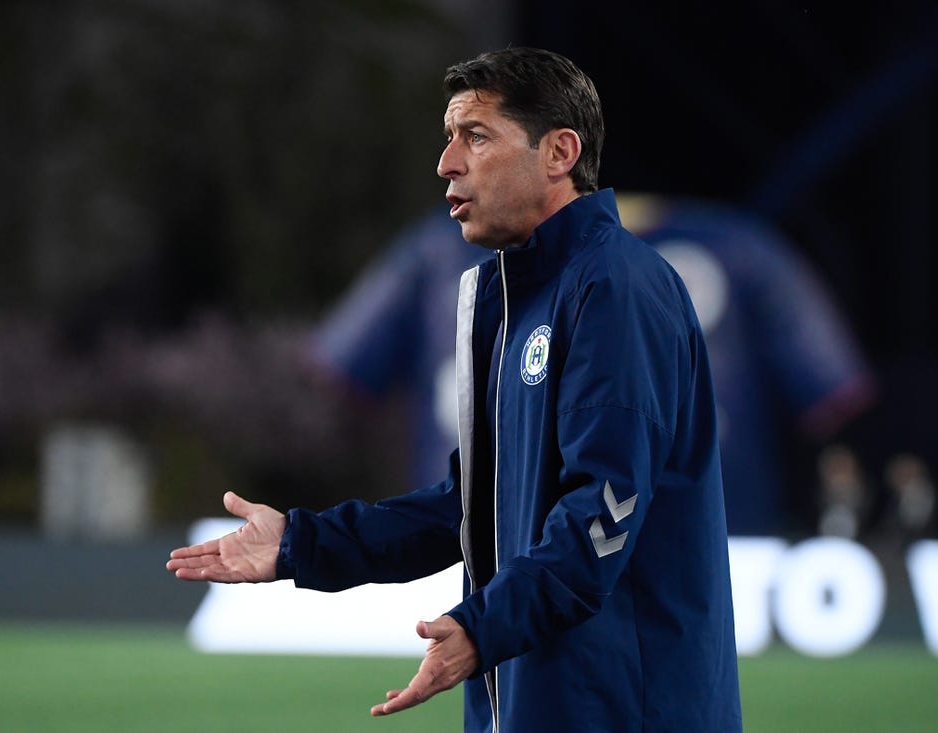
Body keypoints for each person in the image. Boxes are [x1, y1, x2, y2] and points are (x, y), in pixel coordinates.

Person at [167, 47, 742, 732]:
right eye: (448, 138)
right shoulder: (507, 300)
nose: (447, 163)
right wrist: (301, 544)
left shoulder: (616, 286)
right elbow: (470, 509)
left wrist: (479, 626)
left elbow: (603, 511)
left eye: (475, 136)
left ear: (559, 151)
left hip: (624, 713)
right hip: (535, 706)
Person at [312, 194, 876, 537]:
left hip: (480, 547)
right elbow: (833, 396)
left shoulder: (441, 246)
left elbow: (337, 381)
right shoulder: (745, 247)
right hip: (704, 548)